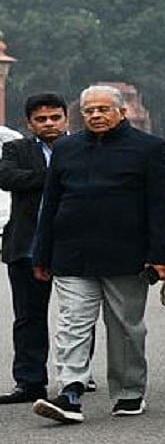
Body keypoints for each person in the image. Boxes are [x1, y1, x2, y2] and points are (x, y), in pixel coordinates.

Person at [31, 85, 165, 424]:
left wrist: (161, 256)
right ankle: (70, 391)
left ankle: (128, 393)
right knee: (72, 323)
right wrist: (42, 254)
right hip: (71, 254)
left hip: (127, 256)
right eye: (89, 111)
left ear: (122, 112)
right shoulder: (66, 148)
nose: (95, 115)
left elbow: (162, 207)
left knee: (125, 327)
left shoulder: (150, 149)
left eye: (103, 109)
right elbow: (50, 204)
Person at [0, 94, 69, 405]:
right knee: (28, 318)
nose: (49, 124)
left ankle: (76, 377)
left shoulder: (82, 147)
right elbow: (7, 177)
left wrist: (38, 180)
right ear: (29, 124)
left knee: (77, 317)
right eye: (41, 120)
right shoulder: (16, 149)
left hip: (72, 247)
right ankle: (29, 382)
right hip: (26, 247)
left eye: (55, 118)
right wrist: (56, 177)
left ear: (67, 119)